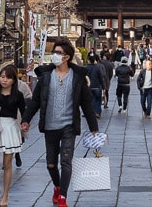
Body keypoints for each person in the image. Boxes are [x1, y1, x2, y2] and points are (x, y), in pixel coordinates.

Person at [20, 37, 98, 207]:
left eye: (58, 53)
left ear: (67, 57)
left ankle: (63, 197)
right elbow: (36, 101)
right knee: (50, 164)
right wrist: (26, 119)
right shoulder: (46, 77)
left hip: (69, 125)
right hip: (50, 126)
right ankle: (57, 186)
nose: (54, 55)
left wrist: (93, 127)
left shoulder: (77, 77)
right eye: (53, 52)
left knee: (66, 161)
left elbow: (86, 103)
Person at [0, 65, 25, 207]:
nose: (4, 80)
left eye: (8, 77)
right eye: (2, 77)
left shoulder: (18, 95)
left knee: (7, 164)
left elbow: (24, 111)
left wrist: (25, 124)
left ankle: (5, 195)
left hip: (10, 128)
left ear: (13, 80)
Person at [14, 77, 33, 168]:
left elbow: (29, 97)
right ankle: (7, 158)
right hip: (6, 116)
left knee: (19, 136)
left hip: (19, 114)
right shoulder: (3, 85)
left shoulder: (22, 85)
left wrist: (23, 102)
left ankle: (17, 152)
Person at [86, 54, 106, 119]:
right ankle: (97, 112)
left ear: (88, 61)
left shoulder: (86, 68)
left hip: (89, 87)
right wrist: (104, 87)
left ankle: (92, 113)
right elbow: (101, 78)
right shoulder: (97, 68)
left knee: (90, 101)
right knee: (98, 100)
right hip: (97, 86)